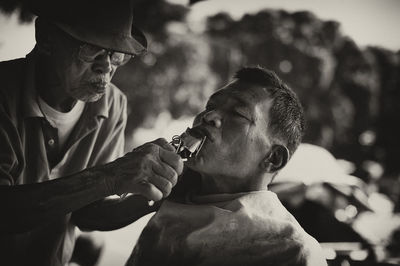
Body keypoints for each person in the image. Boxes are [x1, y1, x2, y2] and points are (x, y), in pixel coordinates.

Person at [0, 0, 183, 265]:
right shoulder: (4, 93)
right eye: (92, 48)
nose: (106, 67)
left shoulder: (114, 104)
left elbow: (85, 215)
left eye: (117, 54)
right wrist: (111, 176)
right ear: (46, 36)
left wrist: (157, 195)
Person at [126, 66, 328, 266]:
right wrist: (119, 179)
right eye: (210, 106)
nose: (209, 116)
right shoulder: (173, 198)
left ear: (272, 158)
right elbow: (97, 217)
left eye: (238, 113)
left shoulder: (291, 251)